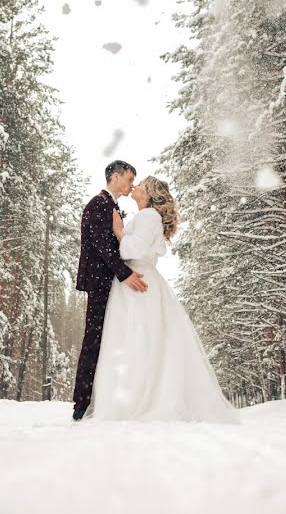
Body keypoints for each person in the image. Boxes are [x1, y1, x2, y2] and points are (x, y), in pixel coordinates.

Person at [84, 176, 238, 423]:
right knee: (142, 338)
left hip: (137, 282)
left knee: (137, 338)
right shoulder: (145, 216)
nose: (135, 187)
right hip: (136, 281)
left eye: (141, 185)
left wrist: (119, 232)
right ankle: (134, 397)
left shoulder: (148, 217)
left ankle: (134, 400)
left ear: (149, 194)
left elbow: (133, 250)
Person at [72, 160, 148, 421]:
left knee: (107, 338)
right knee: (94, 338)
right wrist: (125, 274)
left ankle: (102, 397)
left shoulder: (112, 206)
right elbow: (104, 247)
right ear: (114, 176)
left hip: (108, 279)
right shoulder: (98, 205)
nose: (131, 184)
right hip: (100, 281)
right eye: (129, 178)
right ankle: (81, 402)